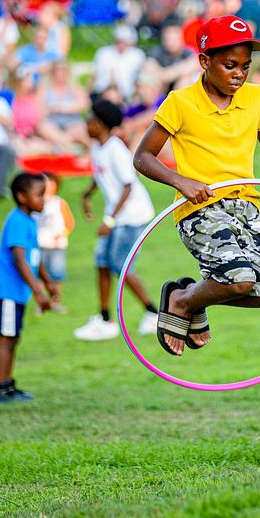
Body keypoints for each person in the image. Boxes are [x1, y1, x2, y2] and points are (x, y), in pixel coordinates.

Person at [133, 14, 260, 357]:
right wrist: (181, 180)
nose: (239, 73)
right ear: (205, 61)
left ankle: (192, 297)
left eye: (246, 66)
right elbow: (143, 157)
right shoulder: (180, 102)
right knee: (239, 278)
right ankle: (180, 301)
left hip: (246, 207)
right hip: (200, 208)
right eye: (229, 65)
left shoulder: (256, 98)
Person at [73, 100, 158, 342]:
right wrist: (88, 194)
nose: (86, 124)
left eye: (89, 120)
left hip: (131, 216)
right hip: (116, 215)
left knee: (120, 265)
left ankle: (153, 314)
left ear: (99, 125)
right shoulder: (99, 149)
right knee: (101, 262)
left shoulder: (115, 149)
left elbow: (128, 185)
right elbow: (100, 174)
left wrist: (109, 220)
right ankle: (105, 319)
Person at [0, 172, 56, 402]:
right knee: (7, 339)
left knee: (13, 338)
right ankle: (0, 389)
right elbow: (20, 260)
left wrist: (48, 282)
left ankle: (7, 385)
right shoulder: (16, 221)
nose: (43, 200)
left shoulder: (28, 221)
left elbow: (36, 257)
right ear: (22, 197)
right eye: (39, 195)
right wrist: (39, 293)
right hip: (6, 291)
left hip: (15, 293)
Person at [35, 60, 91, 152]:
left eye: (63, 71)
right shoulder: (45, 88)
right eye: (58, 71)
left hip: (72, 122)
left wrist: (65, 108)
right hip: (51, 122)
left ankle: (60, 144)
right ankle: (69, 146)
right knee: (43, 127)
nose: (61, 74)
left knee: (80, 130)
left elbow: (84, 104)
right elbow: (38, 108)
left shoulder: (74, 87)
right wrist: (50, 109)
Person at [91, 24, 146, 102]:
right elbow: (94, 76)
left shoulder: (137, 55)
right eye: (119, 41)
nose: (121, 45)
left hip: (127, 94)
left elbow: (141, 78)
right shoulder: (103, 53)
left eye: (124, 42)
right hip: (101, 92)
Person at [37, 172, 73, 285]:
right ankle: (42, 301)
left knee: (56, 275)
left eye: (51, 183)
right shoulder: (35, 203)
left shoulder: (59, 203)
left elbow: (69, 223)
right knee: (40, 276)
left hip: (56, 246)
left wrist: (62, 235)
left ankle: (55, 300)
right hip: (40, 245)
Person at [144, 23, 199, 92]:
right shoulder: (156, 52)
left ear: (181, 39)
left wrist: (167, 74)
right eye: (168, 39)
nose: (171, 43)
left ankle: (178, 101)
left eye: (174, 39)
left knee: (185, 80)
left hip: (178, 85)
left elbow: (193, 65)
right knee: (149, 80)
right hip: (162, 86)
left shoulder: (189, 53)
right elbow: (148, 66)